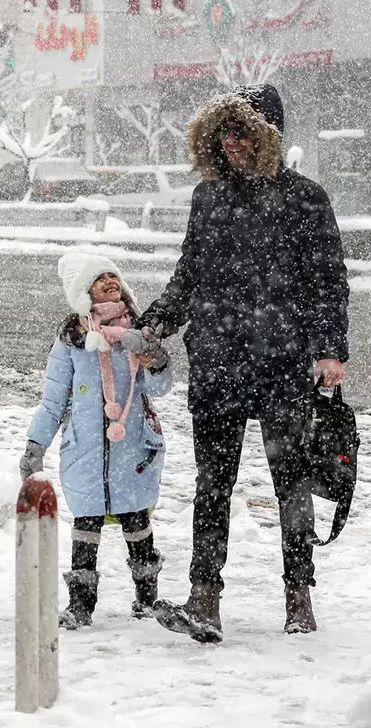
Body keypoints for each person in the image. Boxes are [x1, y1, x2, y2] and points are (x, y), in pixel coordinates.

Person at [138, 83, 350, 643]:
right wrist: (157, 320)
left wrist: (330, 349)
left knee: (292, 484)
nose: (231, 143)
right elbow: (190, 273)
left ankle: (298, 595)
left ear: (267, 138)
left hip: (284, 363)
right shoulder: (208, 199)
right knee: (213, 484)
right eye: (223, 133)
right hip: (217, 362)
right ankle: (204, 597)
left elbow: (329, 283)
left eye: (243, 132)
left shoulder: (307, 199)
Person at [21, 252, 173, 629]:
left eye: (112, 275)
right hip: (86, 449)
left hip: (132, 444)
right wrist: (36, 444)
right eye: (99, 278)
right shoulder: (72, 340)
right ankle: (81, 604)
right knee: (86, 525)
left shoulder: (137, 332)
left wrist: (154, 358)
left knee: (137, 521)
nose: (110, 281)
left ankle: (146, 597)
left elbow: (159, 387)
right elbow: (54, 400)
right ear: (83, 291)